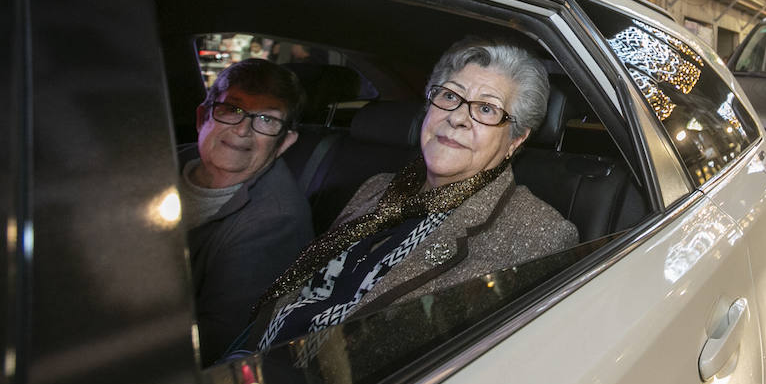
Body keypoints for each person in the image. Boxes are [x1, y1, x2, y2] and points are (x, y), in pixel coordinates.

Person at [246, 36, 579, 351]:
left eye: (487, 109)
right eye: (450, 96)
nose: (458, 118)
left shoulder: (538, 235)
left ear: (516, 139)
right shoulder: (377, 186)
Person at [180, 58, 313, 364]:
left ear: (284, 143)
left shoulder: (275, 219)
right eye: (232, 109)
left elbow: (214, 343)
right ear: (203, 117)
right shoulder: (159, 164)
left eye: (267, 119)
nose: (242, 130)